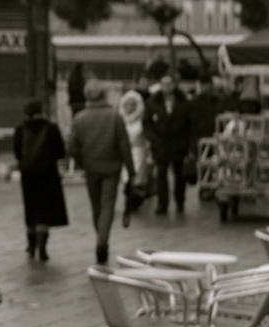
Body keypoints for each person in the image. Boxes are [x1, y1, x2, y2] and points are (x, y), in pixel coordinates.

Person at [70, 89, 136, 264]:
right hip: (112, 168)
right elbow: (124, 146)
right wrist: (131, 170)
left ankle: (101, 237)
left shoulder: (79, 118)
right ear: (104, 96)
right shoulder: (115, 117)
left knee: (96, 206)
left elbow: (72, 146)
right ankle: (102, 243)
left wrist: (82, 162)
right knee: (107, 205)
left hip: (91, 168)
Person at [12, 100, 67, 261]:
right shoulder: (51, 128)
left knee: (31, 208)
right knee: (44, 210)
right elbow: (61, 152)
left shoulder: (20, 129)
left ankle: (31, 244)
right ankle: (42, 247)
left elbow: (17, 153)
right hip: (48, 175)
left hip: (28, 175)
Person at [144, 73, 190, 214]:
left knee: (179, 175)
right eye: (164, 84)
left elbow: (190, 123)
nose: (167, 87)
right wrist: (153, 139)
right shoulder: (153, 102)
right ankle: (162, 204)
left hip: (178, 144)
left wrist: (187, 142)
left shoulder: (183, 101)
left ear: (174, 85)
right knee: (161, 175)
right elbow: (147, 123)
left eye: (169, 84)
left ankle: (180, 201)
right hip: (161, 144)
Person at [117, 87, 151, 226]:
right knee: (127, 179)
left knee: (137, 179)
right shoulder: (120, 120)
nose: (130, 108)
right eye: (127, 105)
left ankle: (134, 201)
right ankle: (129, 200)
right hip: (125, 154)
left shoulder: (142, 120)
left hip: (139, 152)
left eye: (133, 105)